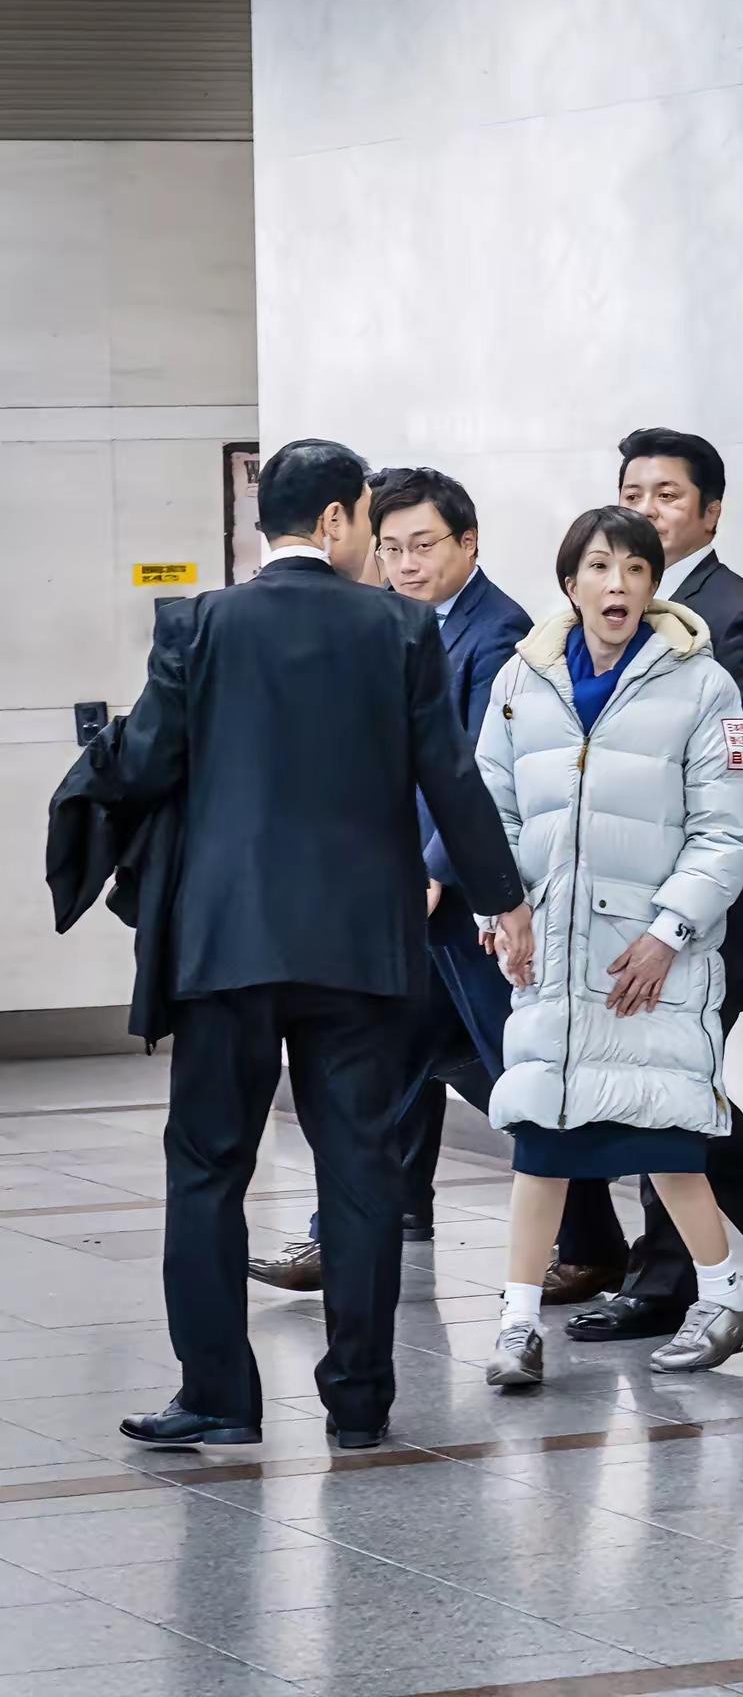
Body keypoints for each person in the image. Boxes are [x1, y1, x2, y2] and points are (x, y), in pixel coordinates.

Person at [84, 439, 530, 1450]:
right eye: (368, 519)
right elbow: (451, 777)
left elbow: (144, 763)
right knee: (361, 1169)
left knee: (208, 1167)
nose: (374, 540)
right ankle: (359, 1404)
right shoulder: (400, 629)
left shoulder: (197, 625)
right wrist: (504, 901)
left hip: (225, 946)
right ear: (335, 521)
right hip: (360, 950)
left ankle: (217, 1398)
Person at [566, 431, 743, 1345]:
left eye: (667, 495)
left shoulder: (736, 611)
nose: (646, 510)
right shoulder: (609, 613)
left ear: (711, 513)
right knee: (657, 1078)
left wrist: (667, 761)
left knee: (666, 1081)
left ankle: (665, 1282)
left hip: (716, 902)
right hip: (624, 898)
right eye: (632, 493)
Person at [477, 506, 743, 1387]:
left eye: (636, 569)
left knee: (664, 1134)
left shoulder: (702, 686)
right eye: (600, 567)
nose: (618, 584)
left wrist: (668, 933)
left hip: (644, 958)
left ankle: (726, 1296)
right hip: (550, 953)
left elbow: (727, 833)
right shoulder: (522, 680)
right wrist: (500, 912)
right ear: (571, 583)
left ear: (653, 586)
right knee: (542, 1134)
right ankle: (517, 1324)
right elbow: (491, 805)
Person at [248, 465, 534, 1292]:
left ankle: (592, 1238)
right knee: (388, 1072)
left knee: (519, 1074)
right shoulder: (396, 622)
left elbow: (477, 771)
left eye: (424, 545)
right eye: (392, 547)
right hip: (407, 898)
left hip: (463, 901)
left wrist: (436, 871)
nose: (406, 564)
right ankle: (356, 1225)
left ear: (468, 542)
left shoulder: (497, 632)